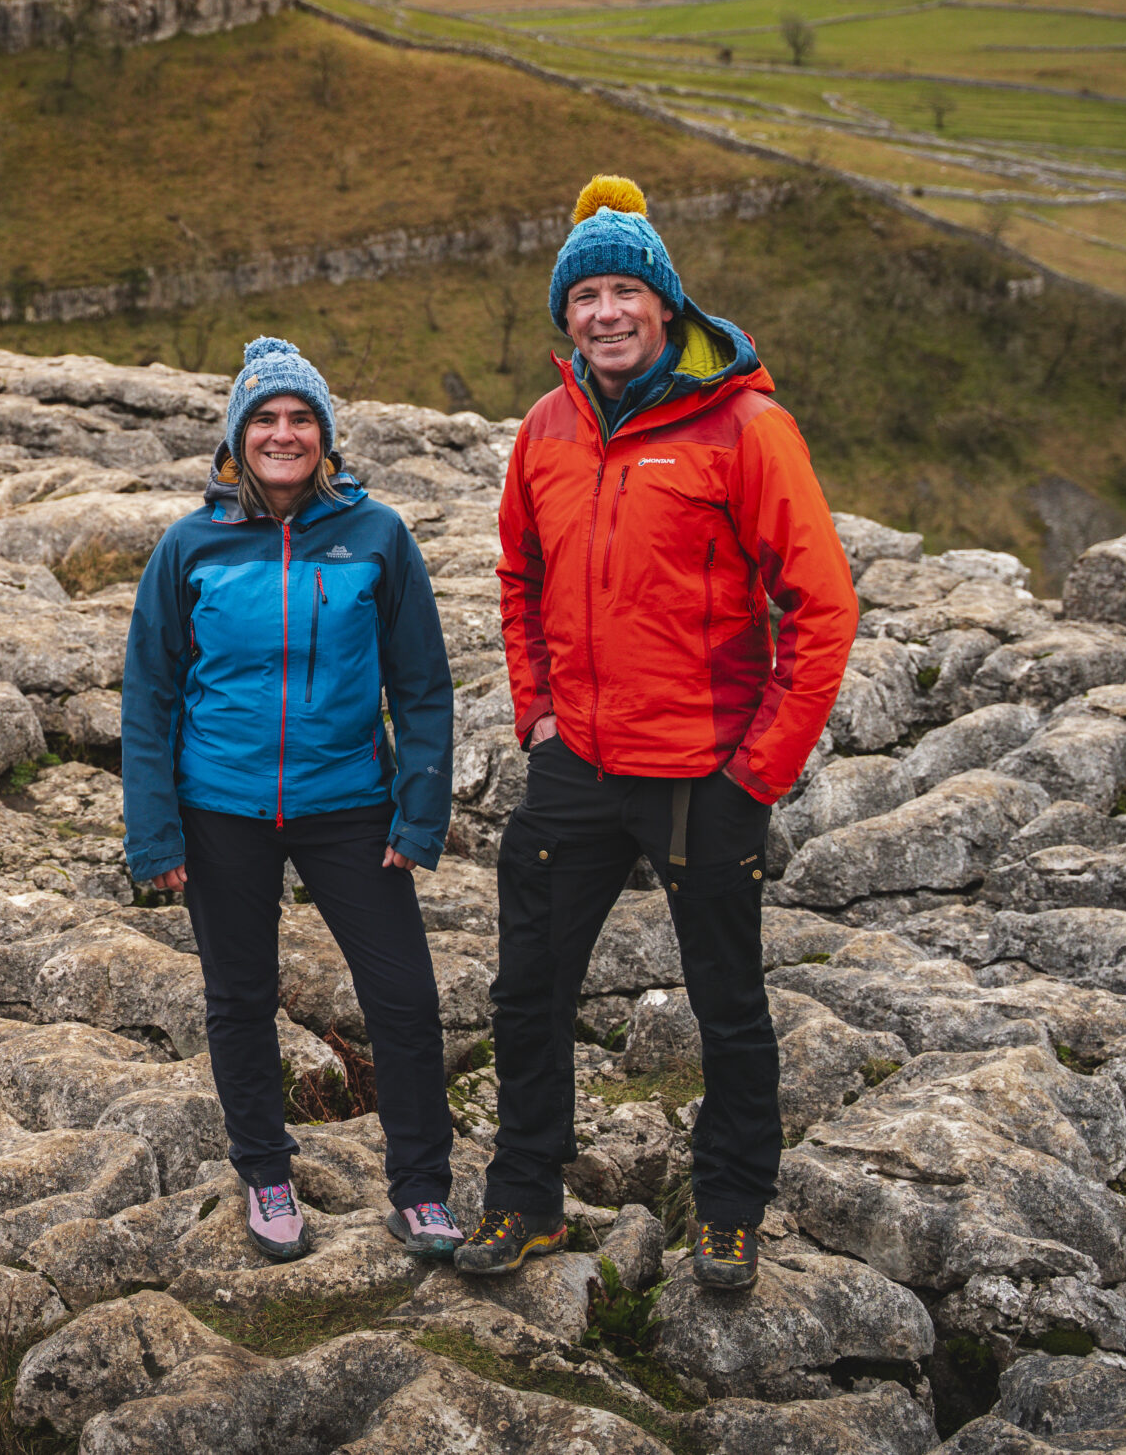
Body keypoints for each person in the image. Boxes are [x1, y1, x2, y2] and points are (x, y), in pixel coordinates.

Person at [458, 176, 857, 1290]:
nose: (604, 313)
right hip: (574, 765)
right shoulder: (546, 427)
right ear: (565, 317)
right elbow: (519, 572)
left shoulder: (745, 427)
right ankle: (526, 1196)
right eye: (583, 295)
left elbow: (822, 606)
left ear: (666, 302)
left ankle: (729, 1206)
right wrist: (533, 708)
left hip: (703, 774)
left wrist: (759, 770)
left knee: (726, 1003)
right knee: (525, 992)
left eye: (623, 288)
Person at [122, 336, 460, 1264]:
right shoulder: (191, 544)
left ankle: (422, 1187)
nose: (283, 433)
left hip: (350, 800)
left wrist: (419, 814)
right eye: (265, 418)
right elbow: (148, 693)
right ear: (237, 437)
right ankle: (265, 1170)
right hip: (220, 805)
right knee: (239, 996)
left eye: (300, 418)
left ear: (325, 436)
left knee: (403, 997)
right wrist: (153, 830)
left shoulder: (378, 536)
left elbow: (423, 687)